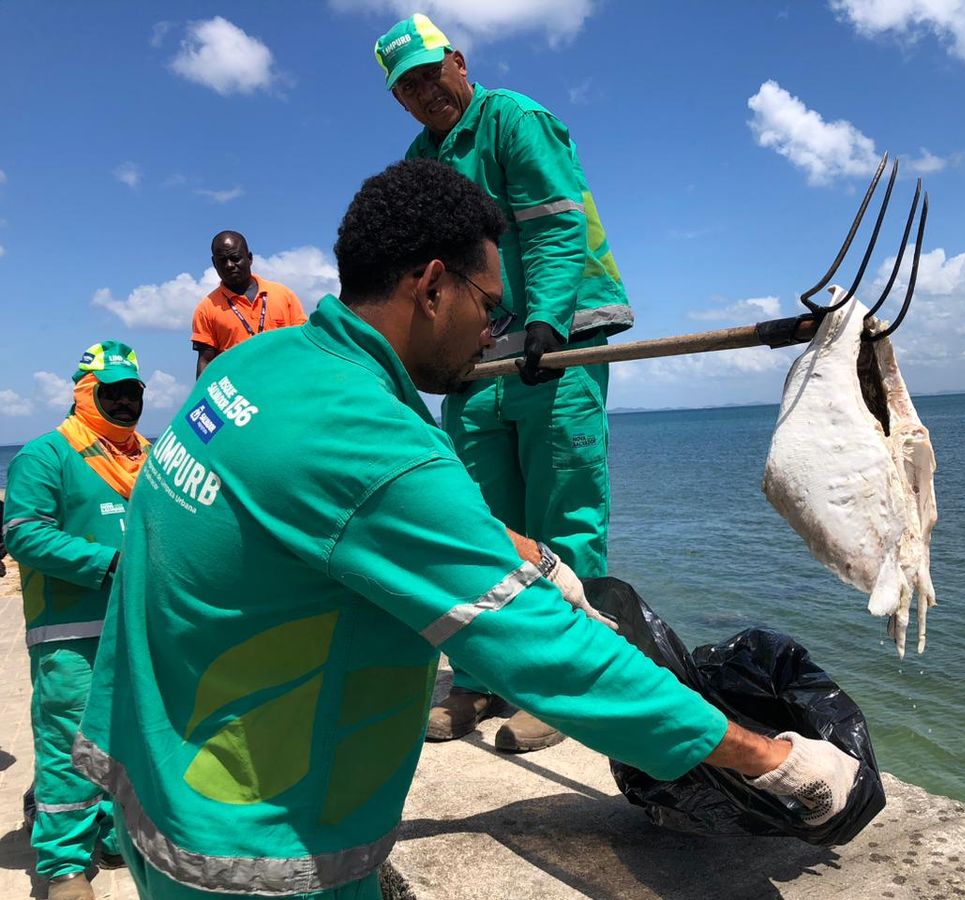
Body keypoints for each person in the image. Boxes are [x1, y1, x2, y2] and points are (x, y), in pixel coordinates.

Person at [74, 161, 862, 899]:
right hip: (255, 845)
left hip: (153, 782)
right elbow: (546, 655)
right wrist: (773, 761)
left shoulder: (260, 367)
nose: (494, 333)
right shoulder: (373, 439)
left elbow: (340, 521)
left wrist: (532, 558)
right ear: (431, 286)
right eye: (490, 306)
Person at [375, 14, 633, 751]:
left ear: (459, 61)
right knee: (482, 525)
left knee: (565, 514)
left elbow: (556, 224)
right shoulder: (419, 161)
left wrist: (548, 318)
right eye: (410, 87)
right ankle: (484, 679)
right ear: (399, 100)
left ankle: (566, 688)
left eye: (432, 74)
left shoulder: (513, 119)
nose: (428, 93)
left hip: (560, 343)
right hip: (478, 360)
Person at [3, 341, 150, 900]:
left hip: (134, 628)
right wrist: (107, 562)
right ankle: (64, 864)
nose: (123, 403)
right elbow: (23, 533)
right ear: (86, 394)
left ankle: (112, 834)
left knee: (123, 742)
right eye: (110, 392)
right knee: (69, 746)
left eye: (132, 392)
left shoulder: (148, 455)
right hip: (70, 634)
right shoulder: (47, 455)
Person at [192, 230, 308, 377]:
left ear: (250, 258)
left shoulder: (283, 295)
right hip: (239, 394)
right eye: (222, 260)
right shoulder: (206, 309)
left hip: (283, 384)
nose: (229, 265)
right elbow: (205, 362)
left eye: (235, 258)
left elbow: (303, 343)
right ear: (214, 263)